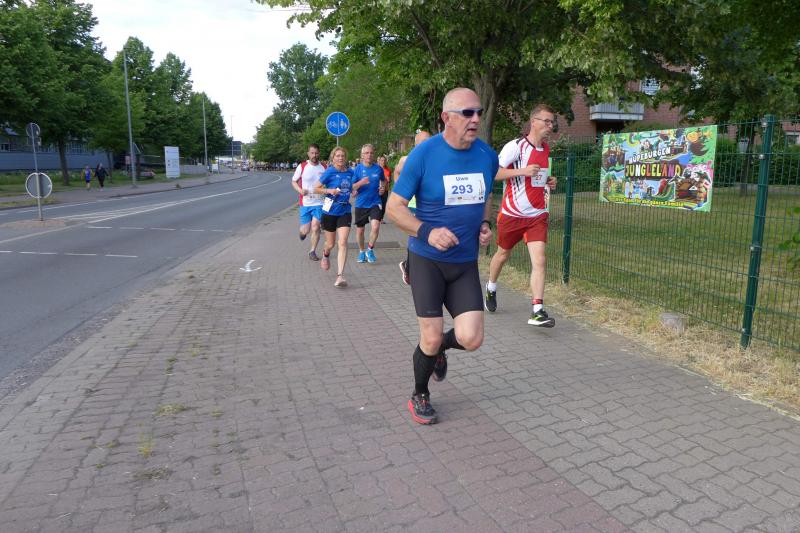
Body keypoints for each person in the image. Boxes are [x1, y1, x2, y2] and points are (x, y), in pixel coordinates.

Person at [387, 87, 497, 425]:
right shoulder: (424, 155)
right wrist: (427, 232)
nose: (475, 118)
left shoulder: (487, 155)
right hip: (427, 260)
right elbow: (394, 208)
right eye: (467, 113)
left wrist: (485, 224)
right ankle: (420, 393)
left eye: (478, 112)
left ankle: (439, 353)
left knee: (471, 338)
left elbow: (486, 195)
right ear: (446, 117)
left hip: (464, 263)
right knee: (430, 336)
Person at [484, 103, 558, 328]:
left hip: (537, 215)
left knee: (540, 260)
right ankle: (491, 287)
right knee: (502, 254)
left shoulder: (545, 149)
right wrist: (522, 171)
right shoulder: (515, 147)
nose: (550, 126)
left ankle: (537, 310)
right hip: (513, 214)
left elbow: (537, 178)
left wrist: (548, 181)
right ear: (533, 122)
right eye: (546, 121)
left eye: (552, 122)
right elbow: (493, 173)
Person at [394, 130, 432, 285]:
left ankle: (410, 265)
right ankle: (410, 266)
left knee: (425, 235)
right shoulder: (407, 159)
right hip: (413, 205)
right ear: (416, 144)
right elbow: (397, 172)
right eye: (423, 141)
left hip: (429, 205)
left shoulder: (435, 159)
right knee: (417, 233)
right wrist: (402, 192)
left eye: (429, 140)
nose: (427, 144)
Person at [315, 146, 354, 288]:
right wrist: (329, 190)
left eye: (342, 155)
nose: (340, 158)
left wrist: (355, 190)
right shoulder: (329, 172)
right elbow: (315, 188)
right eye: (338, 155)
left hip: (345, 210)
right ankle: (326, 254)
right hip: (330, 211)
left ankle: (340, 276)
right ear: (333, 158)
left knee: (342, 242)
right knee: (330, 244)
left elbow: (351, 187)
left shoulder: (350, 172)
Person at [291, 144, 327, 261]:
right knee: (305, 230)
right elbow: (294, 181)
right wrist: (300, 190)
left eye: (316, 153)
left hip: (319, 202)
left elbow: (329, 182)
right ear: (308, 154)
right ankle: (302, 232)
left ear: (319, 153)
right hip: (305, 203)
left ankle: (312, 251)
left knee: (315, 227)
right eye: (312, 153)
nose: (314, 155)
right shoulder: (302, 166)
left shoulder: (324, 167)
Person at [352, 144, 387, 263]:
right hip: (361, 203)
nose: (369, 155)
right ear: (362, 155)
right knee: (360, 231)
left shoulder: (378, 168)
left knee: (376, 226)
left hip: (375, 202)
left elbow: (383, 180)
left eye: (371, 153)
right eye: (366, 153)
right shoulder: (357, 169)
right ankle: (362, 251)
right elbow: (352, 187)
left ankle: (370, 249)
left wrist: (382, 188)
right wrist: (360, 183)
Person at [377, 155, 392, 223]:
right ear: (379, 161)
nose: (383, 162)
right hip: (377, 189)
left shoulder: (388, 170)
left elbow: (390, 180)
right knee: (377, 204)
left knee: (383, 204)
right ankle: (376, 218)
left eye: (384, 160)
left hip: (385, 189)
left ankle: (381, 218)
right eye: (382, 160)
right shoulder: (376, 169)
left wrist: (388, 180)